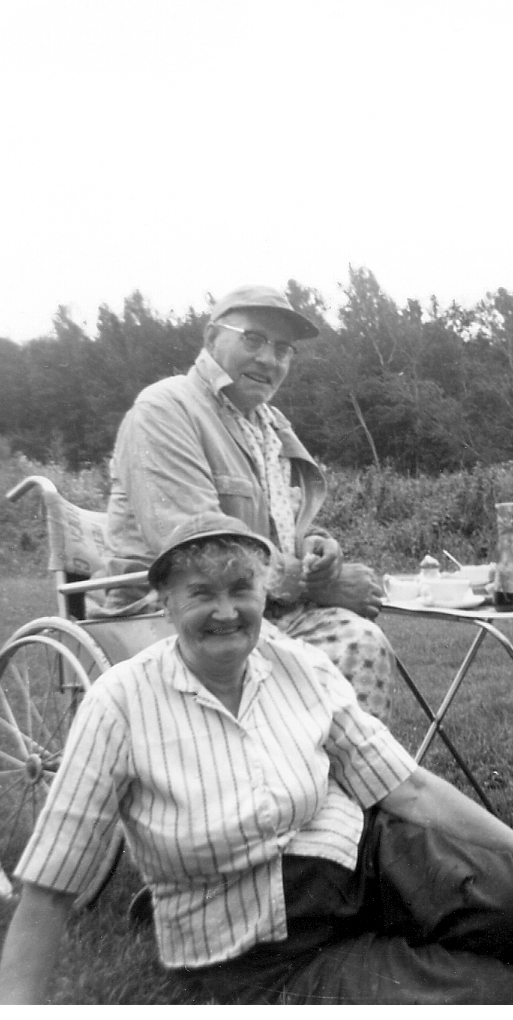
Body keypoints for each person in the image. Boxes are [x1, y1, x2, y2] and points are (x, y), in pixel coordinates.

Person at [0, 514, 513, 1005]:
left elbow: (406, 788)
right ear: (165, 602)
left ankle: (449, 929)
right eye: (202, 593)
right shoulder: (119, 702)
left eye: (241, 590)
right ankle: (398, 955)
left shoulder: (295, 662)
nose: (226, 611)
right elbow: (51, 885)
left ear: (264, 595)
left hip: (355, 858)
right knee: (496, 1001)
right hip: (262, 940)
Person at [94, 284, 393, 722]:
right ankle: (324, 781)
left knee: (361, 641)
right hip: (168, 612)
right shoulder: (165, 409)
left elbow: (279, 523)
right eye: (253, 339)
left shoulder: (268, 425)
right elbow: (195, 546)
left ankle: (341, 786)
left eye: (283, 349)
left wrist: (315, 548)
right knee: (350, 648)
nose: (270, 360)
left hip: (254, 604)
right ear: (213, 338)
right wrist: (317, 585)